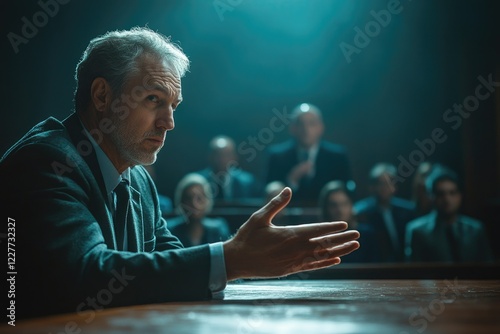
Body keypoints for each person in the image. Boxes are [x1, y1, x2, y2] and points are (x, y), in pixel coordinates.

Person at [0, 27, 360, 319]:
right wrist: (233, 258)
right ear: (101, 96)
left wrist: (243, 259)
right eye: (154, 100)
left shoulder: (137, 176)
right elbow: (86, 276)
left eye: (174, 106)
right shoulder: (46, 163)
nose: (169, 122)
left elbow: (168, 264)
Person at [266, 103, 352, 205]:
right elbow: (267, 193)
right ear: (292, 128)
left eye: (311, 124)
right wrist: (291, 181)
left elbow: (346, 192)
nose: (306, 129)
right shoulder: (277, 156)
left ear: (321, 127)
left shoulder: (337, 156)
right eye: (300, 124)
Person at [405, 167, 493, 263]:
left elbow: (487, 267)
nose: (447, 199)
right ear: (431, 196)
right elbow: (414, 270)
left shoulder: (475, 229)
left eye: (452, 193)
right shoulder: (418, 231)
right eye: (440, 194)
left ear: (460, 196)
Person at [354, 163, 415, 262]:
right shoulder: (362, 213)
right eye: (381, 183)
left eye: (390, 182)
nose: (385, 187)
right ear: (372, 187)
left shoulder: (407, 211)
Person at [319, 181, 379, 263]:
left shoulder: (367, 235)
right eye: (334, 205)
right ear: (326, 209)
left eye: (344, 204)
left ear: (351, 205)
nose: (340, 210)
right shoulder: (320, 238)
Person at [168, 173, 231, 246]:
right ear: (180, 202)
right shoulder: (170, 231)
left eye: (199, 198)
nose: (194, 204)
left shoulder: (218, 229)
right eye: (188, 198)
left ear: (207, 201)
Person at [195, 135, 260, 201]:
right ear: (210, 156)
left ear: (235, 157)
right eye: (217, 155)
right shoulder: (196, 182)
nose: (222, 159)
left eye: (227, 155)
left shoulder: (248, 183)